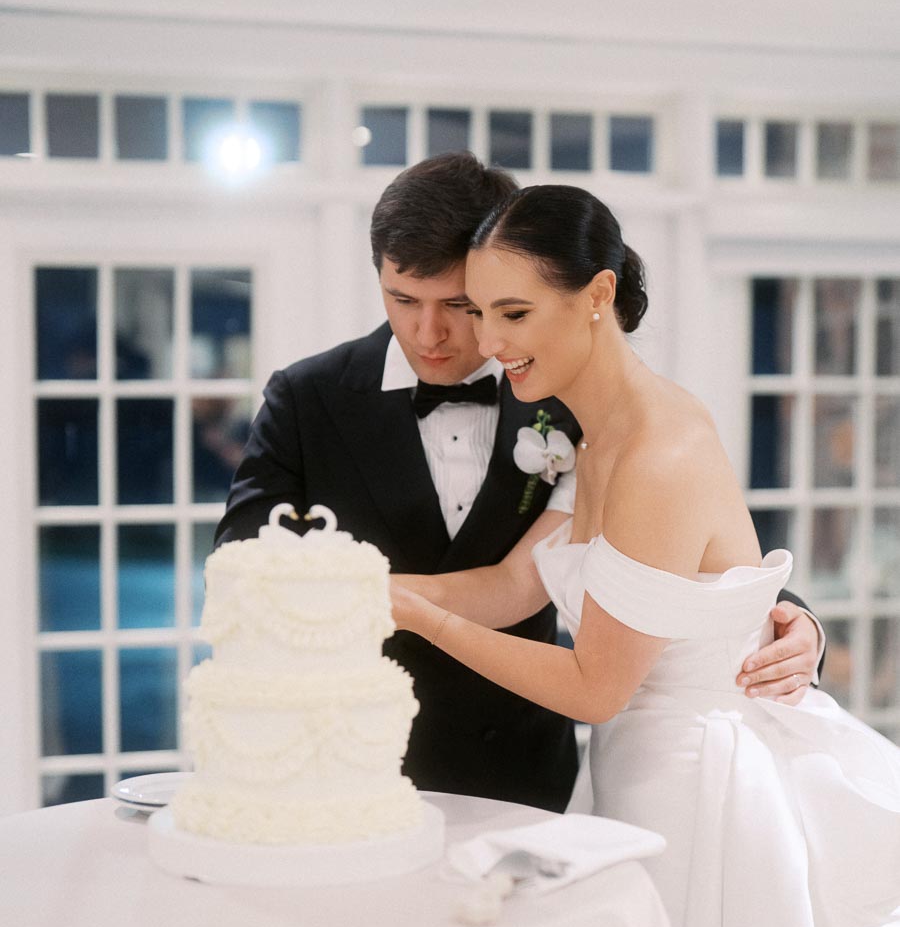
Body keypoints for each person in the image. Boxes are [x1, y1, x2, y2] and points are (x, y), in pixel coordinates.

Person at [390, 184, 900, 927]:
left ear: (598, 296)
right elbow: (514, 585)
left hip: (706, 798)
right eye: (480, 313)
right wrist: (356, 584)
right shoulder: (592, 428)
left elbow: (596, 681)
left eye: (512, 314)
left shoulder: (660, 448)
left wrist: (421, 622)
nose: (488, 341)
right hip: (642, 773)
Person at [215, 152, 821, 813]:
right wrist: (348, 599)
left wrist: (791, 621)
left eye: (459, 305)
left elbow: (679, 544)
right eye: (402, 299)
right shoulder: (309, 398)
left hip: (529, 765)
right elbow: (247, 565)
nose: (431, 333)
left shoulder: (564, 389)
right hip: (349, 762)